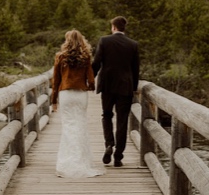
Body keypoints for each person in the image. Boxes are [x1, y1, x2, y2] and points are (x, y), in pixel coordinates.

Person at [51, 30, 106, 178]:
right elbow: (91, 78)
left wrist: (53, 100)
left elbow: (56, 81)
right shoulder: (85, 57)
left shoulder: (60, 57)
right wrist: (91, 87)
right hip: (80, 94)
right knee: (80, 125)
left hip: (66, 94)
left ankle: (67, 163)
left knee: (68, 126)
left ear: (66, 41)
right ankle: (81, 162)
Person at [93, 16, 141, 167]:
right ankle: (118, 156)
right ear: (123, 28)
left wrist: (89, 80)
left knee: (107, 115)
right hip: (124, 87)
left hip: (107, 85)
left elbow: (96, 62)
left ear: (113, 27)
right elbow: (135, 69)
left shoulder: (104, 41)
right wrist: (133, 88)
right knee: (122, 121)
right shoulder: (133, 44)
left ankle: (109, 144)